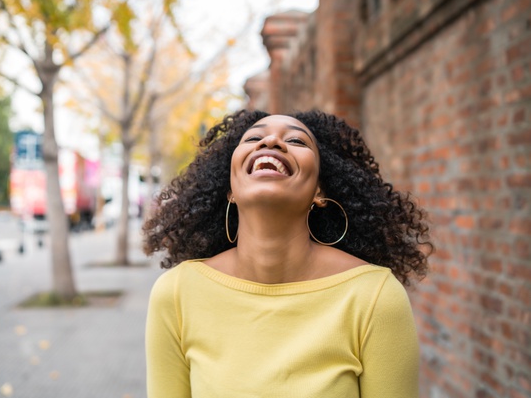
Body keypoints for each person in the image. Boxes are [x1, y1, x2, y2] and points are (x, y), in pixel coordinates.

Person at [143, 109, 432, 397]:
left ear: (319, 191)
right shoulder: (176, 294)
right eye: (254, 137)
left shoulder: (375, 297)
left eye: (296, 141)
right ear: (229, 189)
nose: (271, 142)